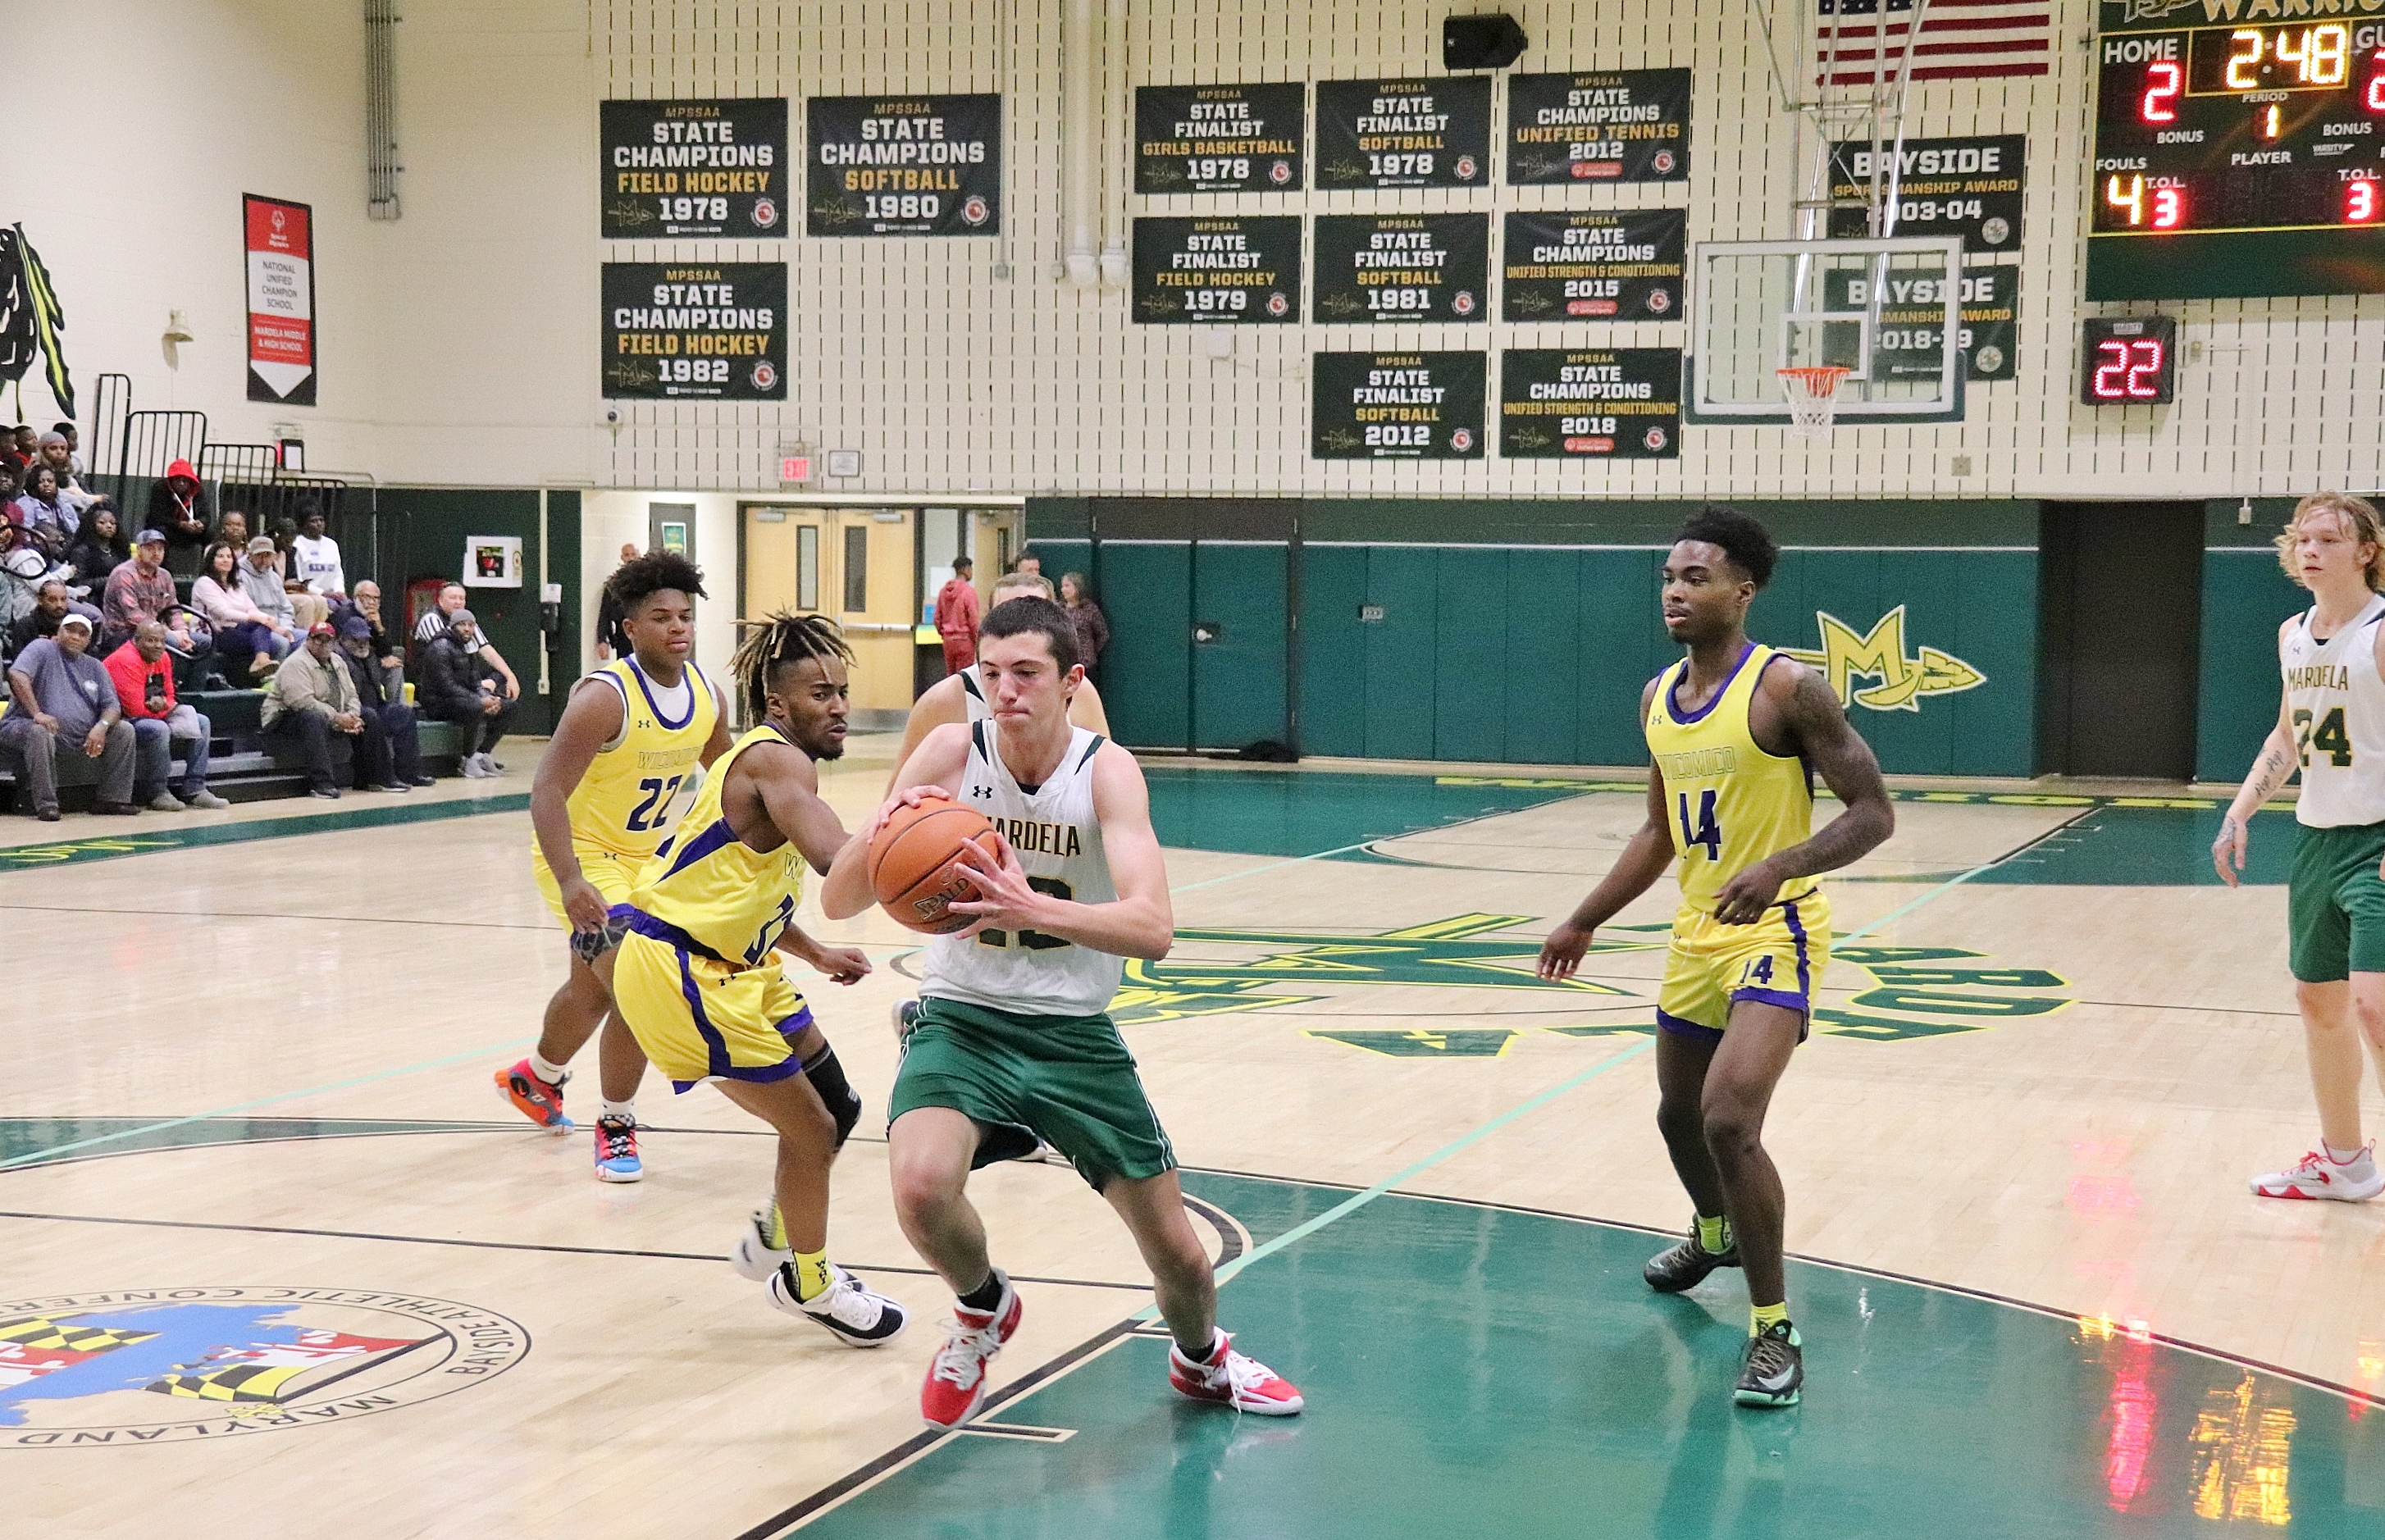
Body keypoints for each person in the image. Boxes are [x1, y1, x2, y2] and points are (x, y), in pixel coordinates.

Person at [821, 597, 1304, 1428]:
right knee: (920, 1187)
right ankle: (981, 1308)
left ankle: (1200, 1359)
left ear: (1070, 681)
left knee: (1181, 1259)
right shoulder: (949, 751)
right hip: (962, 1014)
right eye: (990, 673)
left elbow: (1153, 930)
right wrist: (883, 832)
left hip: (1073, 1034)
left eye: (1026, 674)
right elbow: (838, 900)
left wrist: (1030, 909)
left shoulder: (1105, 770)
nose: (1004, 690)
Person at [1535, 506, 1894, 1412]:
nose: (1675, 591)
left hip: (1778, 928)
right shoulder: (1658, 698)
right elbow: (1659, 830)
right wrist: (1583, 919)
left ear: (1745, 589)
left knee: (1729, 1118)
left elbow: (1871, 813)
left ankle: (1773, 1329)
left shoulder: (1786, 689)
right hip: (1696, 930)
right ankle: (1714, 1233)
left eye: (1696, 577)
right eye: (1667, 577)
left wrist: (1779, 866)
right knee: (1674, 1118)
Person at [610, 611, 905, 1346]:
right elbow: (838, 860)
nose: (837, 706)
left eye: (841, 691)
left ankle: (779, 1231)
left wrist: (813, 951)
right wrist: (918, 829)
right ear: (778, 706)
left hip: (743, 961)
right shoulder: (779, 762)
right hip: (682, 970)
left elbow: (733, 889)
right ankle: (806, 1282)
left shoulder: (765, 760)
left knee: (838, 1105)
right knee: (809, 1131)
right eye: (819, 694)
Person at [505, 552, 732, 1182]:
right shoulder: (604, 698)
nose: (678, 627)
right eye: (661, 617)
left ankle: (537, 1078)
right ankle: (617, 1125)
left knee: (594, 989)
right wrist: (572, 878)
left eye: (685, 615)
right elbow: (546, 791)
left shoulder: (707, 696)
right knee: (637, 979)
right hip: (578, 858)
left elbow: (727, 785)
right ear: (629, 629)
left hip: (647, 864)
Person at [2214, 490, 2385, 1203]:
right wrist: (2241, 809)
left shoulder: (2380, 631)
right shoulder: (2293, 633)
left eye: (2329, 540)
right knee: (2319, 1000)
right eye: (2303, 539)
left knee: (2377, 1007)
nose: (2310, 550)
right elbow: (2289, 735)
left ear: (2366, 552)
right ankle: (2344, 1164)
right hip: (2318, 839)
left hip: (2378, 839)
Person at [1, 613, 138, 818]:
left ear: (88, 640)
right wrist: (37, 713)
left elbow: (112, 707)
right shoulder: (42, 648)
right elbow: (16, 674)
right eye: (70, 630)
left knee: (124, 730)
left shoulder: (95, 666)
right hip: (23, 726)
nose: (75, 636)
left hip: (79, 736)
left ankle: (111, 799)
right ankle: (46, 804)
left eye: (82, 633)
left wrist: (101, 726)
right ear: (58, 632)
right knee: (39, 731)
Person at [105, 620, 226, 811]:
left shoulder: (163, 657)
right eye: (152, 641)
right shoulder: (125, 659)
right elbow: (134, 709)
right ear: (136, 641)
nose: (159, 646)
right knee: (159, 729)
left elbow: (170, 696)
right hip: (121, 720)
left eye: (161, 641)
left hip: (153, 713)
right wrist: (164, 708)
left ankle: (195, 788)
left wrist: (163, 706)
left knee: (202, 721)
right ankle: (157, 792)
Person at [262, 623, 367, 799]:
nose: (322, 644)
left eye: (328, 640)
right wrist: (338, 718)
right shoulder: (295, 663)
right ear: (309, 641)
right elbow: (301, 702)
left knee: (370, 716)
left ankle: (376, 778)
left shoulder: (338, 661)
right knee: (313, 718)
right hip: (282, 718)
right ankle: (321, 784)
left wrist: (353, 715)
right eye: (318, 639)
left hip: (329, 715)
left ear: (334, 643)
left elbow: (351, 695)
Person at [334, 615, 428, 793]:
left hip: (376, 705)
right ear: (343, 639)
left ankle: (409, 773)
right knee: (370, 716)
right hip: (350, 709)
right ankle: (382, 778)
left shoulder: (369, 656)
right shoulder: (337, 659)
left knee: (404, 713)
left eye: (366, 640)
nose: (362, 644)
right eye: (356, 639)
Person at [420, 608, 518, 777]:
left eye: (471, 625)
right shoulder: (440, 647)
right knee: (475, 706)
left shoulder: (469, 648)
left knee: (509, 706)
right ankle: (467, 759)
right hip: (438, 703)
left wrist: (487, 698)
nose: (467, 629)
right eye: (462, 625)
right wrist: (480, 701)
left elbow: (475, 683)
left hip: (462, 698)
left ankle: (482, 754)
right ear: (453, 627)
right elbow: (447, 687)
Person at [193, 541, 291, 678]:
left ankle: (262, 661)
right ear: (211, 560)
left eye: (229, 556)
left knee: (264, 627)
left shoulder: (236, 584)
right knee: (261, 635)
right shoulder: (204, 583)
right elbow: (223, 613)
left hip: (236, 629)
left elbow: (251, 608)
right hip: (214, 632)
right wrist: (257, 618)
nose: (226, 560)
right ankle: (262, 663)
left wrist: (268, 620)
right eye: (220, 556)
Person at [413, 581, 522, 702]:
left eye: (461, 598)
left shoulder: (466, 619)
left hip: (465, 678)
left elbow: (487, 650)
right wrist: (476, 687)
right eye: (453, 598)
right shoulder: (431, 619)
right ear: (440, 601)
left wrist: (510, 676)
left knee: (501, 676)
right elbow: (446, 660)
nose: (458, 602)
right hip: (437, 686)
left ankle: (488, 698)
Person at [100, 529, 177, 647]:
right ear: (138, 550)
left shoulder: (165, 575)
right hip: (125, 633)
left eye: (160, 549)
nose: (156, 553)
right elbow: (133, 616)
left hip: (156, 630)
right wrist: (166, 631)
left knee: (204, 642)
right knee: (173, 642)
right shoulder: (124, 573)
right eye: (150, 548)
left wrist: (182, 632)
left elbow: (174, 609)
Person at [335, 579, 405, 697]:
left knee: (396, 667)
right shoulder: (345, 615)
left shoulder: (375, 616)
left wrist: (380, 627)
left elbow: (387, 651)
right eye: (367, 597)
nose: (372, 602)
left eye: (376, 598)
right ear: (356, 597)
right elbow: (353, 649)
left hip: (371, 661)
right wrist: (379, 660)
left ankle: (395, 710)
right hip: (350, 663)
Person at [147, 458, 211, 565]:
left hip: (190, 531)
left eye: (185, 480)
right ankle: (162, 568)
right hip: (169, 528)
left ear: (190, 481)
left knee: (210, 534)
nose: (181, 484)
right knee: (159, 533)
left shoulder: (197, 490)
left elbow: (206, 515)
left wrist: (201, 523)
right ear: (171, 481)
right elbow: (156, 516)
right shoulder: (160, 488)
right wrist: (180, 525)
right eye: (177, 480)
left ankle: (207, 568)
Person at [237, 536, 297, 638]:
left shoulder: (274, 577)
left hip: (279, 626)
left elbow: (286, 609)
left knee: (305, 639)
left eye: (268, 555)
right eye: (260, 555)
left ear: (274, 556)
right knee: (281, 643)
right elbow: (248, 611)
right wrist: (276, 629)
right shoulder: (240, 576)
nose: (264, 560)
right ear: (250, 555)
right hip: (256, 628)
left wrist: (286, 629)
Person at [62, 501, 130, 590]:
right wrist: (110, 581)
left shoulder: (120, 550)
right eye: (102, 522)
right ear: (91, 525)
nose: (109, 526)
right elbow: (77, 584)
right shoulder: (82, 551)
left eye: (113, 523)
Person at [13, 464, 76, 557]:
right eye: (41, 482)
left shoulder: (64, 504)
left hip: (64, 548)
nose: (46, 484)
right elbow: (26, 536)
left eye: (50, 481)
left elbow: (75, 530)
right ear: (34, 484)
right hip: (39, 551)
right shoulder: (25, 503)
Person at [934, 555, 980, 676]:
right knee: (964, 677)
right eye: (971, 569)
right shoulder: (968, 591)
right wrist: (978, 640)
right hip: (965, 641)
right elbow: (973, 620)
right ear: (966, 570)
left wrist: (945, 633)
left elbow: (937, 619)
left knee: (951, 676)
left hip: (948, 642)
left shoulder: (943, 591)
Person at [592, 543, 640, 660]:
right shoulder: (614, 585)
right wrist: (602, 640)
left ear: (638, 555)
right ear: (622, 558)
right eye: (627, 555)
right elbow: (605, 614)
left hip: (643, 636)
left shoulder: (647, 582)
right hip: (623, 637)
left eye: (633, 554)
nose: (631, 558)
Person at [290, 501, 344, 599]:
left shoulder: (331, 544)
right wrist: (322, 593)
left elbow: (338, 573)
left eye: (321, 520)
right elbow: (299, 580)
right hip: (310, 596)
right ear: (304, 524)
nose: (319, 524)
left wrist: (339, 591)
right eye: (313, 521)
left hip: (334, 596)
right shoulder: (296, 545)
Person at [1060, 572, 1109, 681]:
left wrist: (1091, 651)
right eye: (1062, 586)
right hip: (1065, 664)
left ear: (1077, 587)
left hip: (1087, 665)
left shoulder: (1089, 609)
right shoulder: (1059, 609)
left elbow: (1103, 634)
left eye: (1067, 586)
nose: (1063, 590)